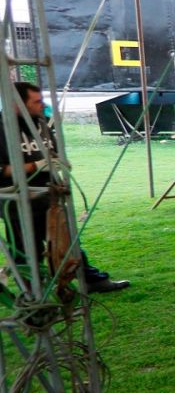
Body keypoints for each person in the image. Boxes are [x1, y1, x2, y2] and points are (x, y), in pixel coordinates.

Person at [0, 82, 128, 294]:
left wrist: (58, 162)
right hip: (16, 200)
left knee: (67, 240)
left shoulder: (41, 122)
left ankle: (90, 279)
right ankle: (33, 294)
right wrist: (34, 166)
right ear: (17, 104)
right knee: (25, 249)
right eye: (36, 101)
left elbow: (52, 151)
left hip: (49, 194)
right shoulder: (2, 128)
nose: (42, 105)